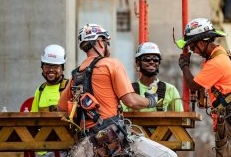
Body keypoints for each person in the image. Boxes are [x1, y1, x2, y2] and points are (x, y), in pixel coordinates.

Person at [57, 23, 159, 157]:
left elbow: (61, 108)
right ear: (99, 42)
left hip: (88, 144)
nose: (107, 47)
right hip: (112, 140)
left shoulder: (75, 76)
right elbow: (131, 101)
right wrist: (150, 100)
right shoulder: (111, 64)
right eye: (106, 43)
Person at [176, 18, 231, 157]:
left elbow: (193, 86)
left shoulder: (216, 62)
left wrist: (184, 66)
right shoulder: (218, 55)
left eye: (193, 47)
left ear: (201, 43)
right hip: (230, 118)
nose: (194, 51)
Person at [123, 41, 183, 112]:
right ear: (138, 63)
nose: (151, 62)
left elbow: (181, 119)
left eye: (155, 59)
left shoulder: (170, 90)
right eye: (146, 59)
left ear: (159, 63)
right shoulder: (128, 90)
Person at [31, 44, 68, 157]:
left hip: (65, 149)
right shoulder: (40, 90)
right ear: (42, 67)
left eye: (55, 66)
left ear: (62, 68)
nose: (51, 70)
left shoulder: (69, 87)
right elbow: (31, 119)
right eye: (47, 66)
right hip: (43, 150)